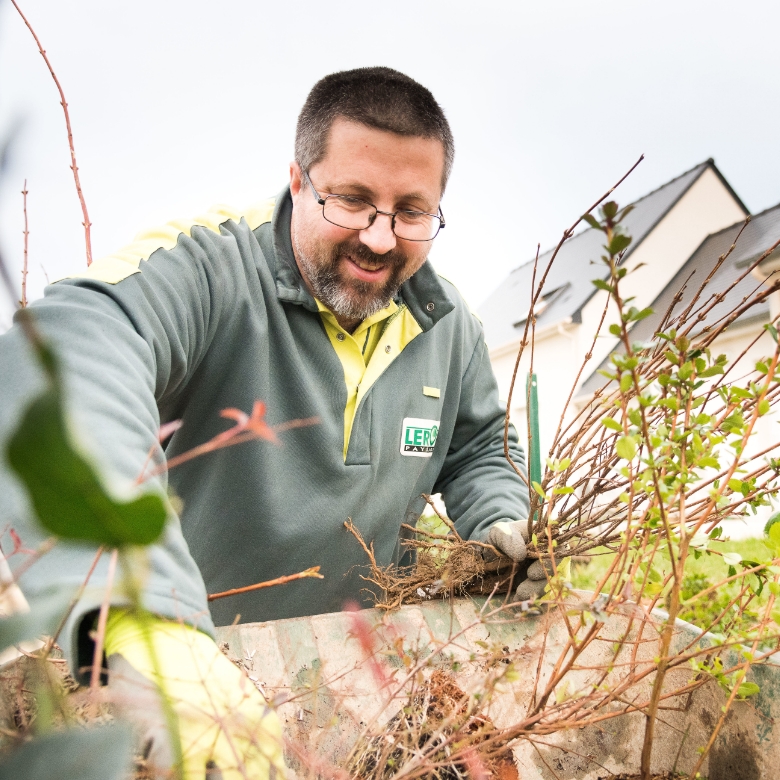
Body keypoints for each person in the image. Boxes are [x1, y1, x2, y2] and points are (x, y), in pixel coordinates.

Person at [0, 67, 541, 779]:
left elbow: (476, 449)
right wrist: (146, 618)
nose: (381, 239)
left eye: (412, 211)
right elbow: (52, 365)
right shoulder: (210, 271)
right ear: (297, 180)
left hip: (366, 703)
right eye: (351, 200)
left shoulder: (446, 324)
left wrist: (497, 522)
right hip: (189, 697)